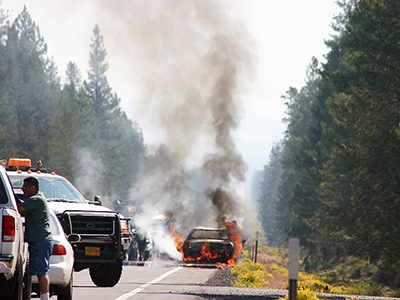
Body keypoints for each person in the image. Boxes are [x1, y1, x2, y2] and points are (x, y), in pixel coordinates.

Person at [18, 176, 53, 300]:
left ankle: (45, 297)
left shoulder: (36, 200)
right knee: (41, 271)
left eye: (25, 187)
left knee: (41, 272)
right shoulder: (37, 199)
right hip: (41, 241)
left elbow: (20, 209)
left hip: (41, 241)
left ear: (33, 188)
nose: (23, 190)